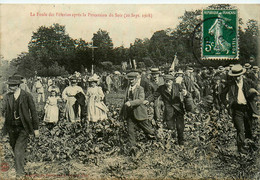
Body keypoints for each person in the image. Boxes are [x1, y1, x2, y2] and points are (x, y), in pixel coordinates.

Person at [1, 75, 39, 177]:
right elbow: (2, 109)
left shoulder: (26, 95)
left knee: (18, 149)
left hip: (24, 127)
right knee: (15, 148)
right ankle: (21, 163)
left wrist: (36, 128)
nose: (10, 87)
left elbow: (33, 112)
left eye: (12, 86)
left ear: (18, 85)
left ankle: (20, 173)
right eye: (9, 85)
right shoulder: (7, 96)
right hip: (11, 127)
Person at [221, 64, 259, 153]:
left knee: (249, 128)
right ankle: (241, 151)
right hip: (237, 109)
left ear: (242, 75)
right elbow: (222, 94)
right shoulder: (230, 84)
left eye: (238, 76)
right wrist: (226, 103)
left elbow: (257, 89)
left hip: (248, 109)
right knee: (240, 129)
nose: (237, 78)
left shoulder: (248, 82)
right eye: (235, 76)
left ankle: (250, 148)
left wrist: (255, 95)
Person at [146, 74, 193, 146]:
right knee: (170, 127)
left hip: (178, 109)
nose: (167, 83)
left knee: (180, 126)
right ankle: (171, 142)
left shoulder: (177, 86)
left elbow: (186, 93)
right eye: (166, 81)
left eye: (169, 81)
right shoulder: (161, 88)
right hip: (169, 110)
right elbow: (154, 95)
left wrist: (185, 93)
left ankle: (181, 141)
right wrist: (147, 100)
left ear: (172, 81)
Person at [121, 72, 155, 154]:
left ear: (136, 79)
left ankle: (155, 141)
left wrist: (131, 103)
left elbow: (140, 100)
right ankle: (133, 148)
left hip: (139, 113)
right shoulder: (128, 89)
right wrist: (122, 112)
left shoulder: (140, 89)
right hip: (130, 113)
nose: (131, 81)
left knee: (148, 130)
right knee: (130, 131)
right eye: (130, 80)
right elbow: (125, 101)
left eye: (132, 80)